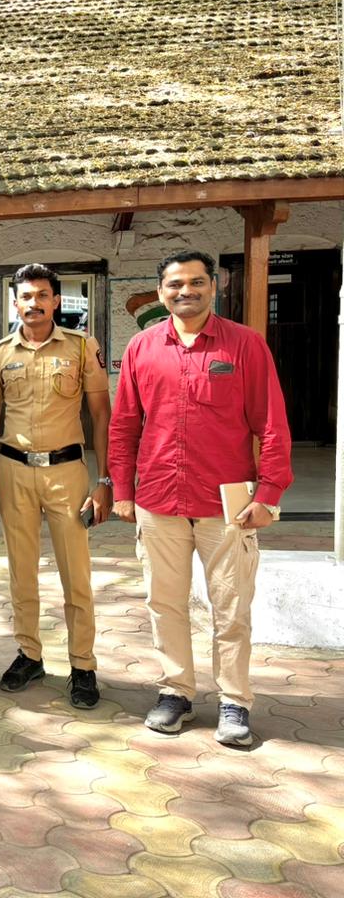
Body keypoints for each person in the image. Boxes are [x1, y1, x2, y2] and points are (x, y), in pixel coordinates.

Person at [109, 250, 292, 747]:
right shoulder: (142, 348)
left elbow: (272, 424)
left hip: (227, 504)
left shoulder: (245, 345)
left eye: (195, 282)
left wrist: (269, 493)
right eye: (174, 284)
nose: (185, 291)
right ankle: (175, 692)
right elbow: (124, 424)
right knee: (164, 603)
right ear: (161, 291)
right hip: (159, 499)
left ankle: (234, 701)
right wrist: (122, 489)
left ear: (214, 286)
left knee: (231, 607)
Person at [0, 263, 111, 709]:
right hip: (13, 471)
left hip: (66, 473)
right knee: (21, 571)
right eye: (26, 296)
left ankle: (83, 665)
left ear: (55, 300)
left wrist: (104, 479)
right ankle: (29, 654)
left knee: (76, 573)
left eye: (42, 295)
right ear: (15, 303)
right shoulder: (0, 353)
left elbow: (101, 413)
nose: (33, 303)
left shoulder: (80, 347)